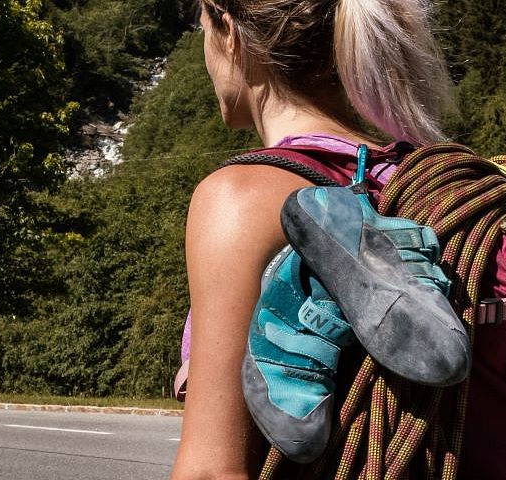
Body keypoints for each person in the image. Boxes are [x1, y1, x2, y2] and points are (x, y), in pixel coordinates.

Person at [172, 0, 451, 477]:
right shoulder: (427, 182)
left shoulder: (241, 199)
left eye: (202, 29)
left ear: (229, 30)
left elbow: (212, 470)